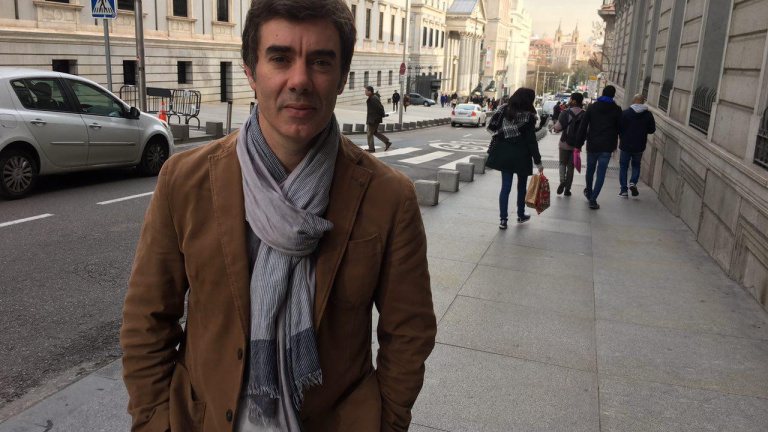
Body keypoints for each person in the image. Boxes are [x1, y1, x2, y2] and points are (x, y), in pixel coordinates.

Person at [120, 1, 437, 431]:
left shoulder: (389, 197)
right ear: (251, 72)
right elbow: (147, 320)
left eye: (320, 62)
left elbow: (409, 333)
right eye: (280, 58)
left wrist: (388, 423)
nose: (300, 80)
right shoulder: (185, 181)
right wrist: (155, 422)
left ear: (342, 77)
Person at [486, 87, 544, 228]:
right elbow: (531, 142)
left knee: (505, 187)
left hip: (505, 154)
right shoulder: (528, 117)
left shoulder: (504, 110)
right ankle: (520, 215)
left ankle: (503, 220)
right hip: (522, 156)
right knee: (521, 186)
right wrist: (538, 161)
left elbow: (495, 130)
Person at [576, 85, 623, 209]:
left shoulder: (592, 107)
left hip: (593, 144)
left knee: (590, 171)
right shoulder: (617, 109)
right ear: (613, 95)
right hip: (607, 146)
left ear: (602, 93)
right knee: (601, 174)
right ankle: (593, 199)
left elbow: (583, 126)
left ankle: (589, 192)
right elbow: (620, 128)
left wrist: (579, 144)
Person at [618, 93, 656, 198]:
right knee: (636, 165)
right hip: (639, 144)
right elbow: (652, 130)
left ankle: (624, 191)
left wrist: (622, 136)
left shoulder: (625, 113)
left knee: (623, 167)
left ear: (633, 101)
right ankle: (633, 182)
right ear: (643, 102)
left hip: (625, 144)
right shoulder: (648, 115)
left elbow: (619, 128)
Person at [553, 93, 585, 196]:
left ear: (574, 101)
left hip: (564, 143)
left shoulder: (565, 112)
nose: (569, 101)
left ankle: (562, 181)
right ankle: (567, 189)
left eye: (570, 99)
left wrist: (554, 128)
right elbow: (587, 131)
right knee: (571, 167)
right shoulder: (584, 114)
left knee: (562, 163)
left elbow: (557, 128)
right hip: (576, 146)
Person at [365, 85, 391, 152]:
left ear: (370, 91)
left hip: (374, 119)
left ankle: (371, 148)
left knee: (369, 134)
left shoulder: (373, 98)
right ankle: (387, 142)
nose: (365, 92)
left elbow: (380, 107)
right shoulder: (372, 97)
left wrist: (383, 114)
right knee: (374, 132)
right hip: (374, 118)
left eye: (366, 91)